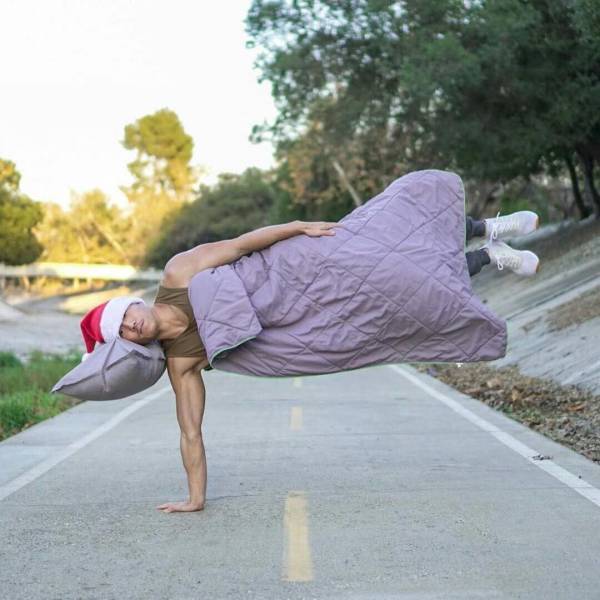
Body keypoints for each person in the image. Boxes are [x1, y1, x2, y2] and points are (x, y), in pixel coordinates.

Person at [79, 210, 540, 513]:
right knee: (397, 295)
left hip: (289, 266)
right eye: (123, 333)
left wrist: (298, 227)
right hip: (296, 317)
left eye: (125, 316)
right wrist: (194, 498)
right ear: (129, 345)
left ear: (132, 303)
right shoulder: (181, 363)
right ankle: (488, 257)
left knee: (378, 245)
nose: (131, 326)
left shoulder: (179, 272)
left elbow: (240, 245)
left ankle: (486, 227)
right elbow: (190, 432)